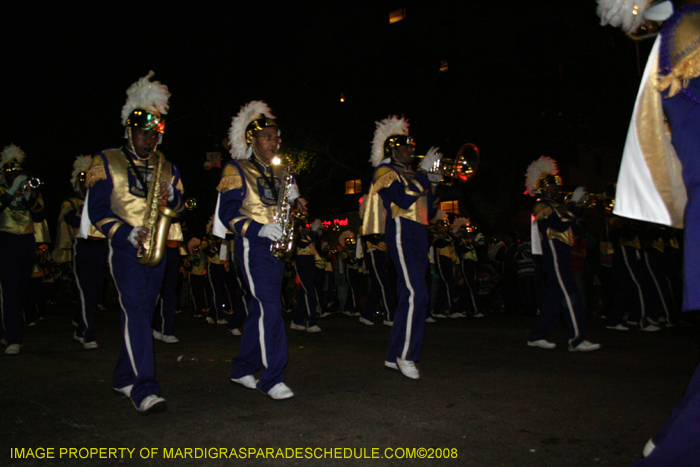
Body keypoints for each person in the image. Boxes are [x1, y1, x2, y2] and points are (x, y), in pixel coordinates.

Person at [598, 1, 700, 464]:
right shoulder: (688, 27)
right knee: (631, 280)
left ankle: (673, 438)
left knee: (648, 281)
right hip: (628, 246)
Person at [82, 71, 185, 414]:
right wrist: (126, 232)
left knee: (142, 311)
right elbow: (97, 209)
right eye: (143, 133)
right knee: (138, 311)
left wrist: (174, 197)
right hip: (126, 247)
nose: (150, 141)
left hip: (157, 248)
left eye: (155, 135)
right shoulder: (106, 160)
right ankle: (145, 389)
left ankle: (123, 377)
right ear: (129, 130)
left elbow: (182, 208)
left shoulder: (167, 166)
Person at [215, 100, 301, 400]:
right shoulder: (236, 168)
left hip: (277, 249)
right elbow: (228, 213)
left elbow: (284, 208)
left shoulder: (281, 171)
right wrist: (258, 229)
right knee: (270, 308)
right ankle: (272, 377)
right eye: (267, 136)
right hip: (253, 246)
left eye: (276, 137)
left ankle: (242, 368)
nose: (274, 141)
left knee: (260, 310)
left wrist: (294, 200)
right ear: (251, 140)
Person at [365, 115, 440, 379]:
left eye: (412, 145)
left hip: (420, 233)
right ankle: (406, 355)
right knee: (417, 293)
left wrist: (434, 182)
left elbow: (428, 210)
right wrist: (423, 176)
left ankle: (393, 354)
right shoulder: (384, 172)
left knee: (409, 295)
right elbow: (402, 199)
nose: (412, 150)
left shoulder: (412, 173)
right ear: (393, 148)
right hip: (401, 232)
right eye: (406, 146)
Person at [524, 156, 600, 352]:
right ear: (545, 186)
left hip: (564, 254)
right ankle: (577, 339)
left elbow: (573, 225)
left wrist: (578, 206)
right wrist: (573, 205)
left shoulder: (557, 206)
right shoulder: (542, 206)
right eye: (554, 183)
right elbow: (558, 226)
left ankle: (537, 335)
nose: (559, 186)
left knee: (554, 299)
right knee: (571, 295)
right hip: (555, 255)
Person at [56, 155, 107, 349]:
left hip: (99, 248)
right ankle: (87, 333)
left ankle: (80, 328)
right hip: (83, 248)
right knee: (85, 290)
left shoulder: (100, 203)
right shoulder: (71, 203)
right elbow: (74, 221)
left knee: (94, 293)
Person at [0, 144, 45, 355]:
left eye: (18, 172)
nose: (15, 176)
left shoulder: (30, 189)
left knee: (20, 290)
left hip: (26, 241)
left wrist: (28, 196)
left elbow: (39, 216)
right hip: (6, 240)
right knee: (9, 290)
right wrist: (10, 191)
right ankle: (13, 338)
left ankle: (10, 330)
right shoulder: (2, 190)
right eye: (11, 173)